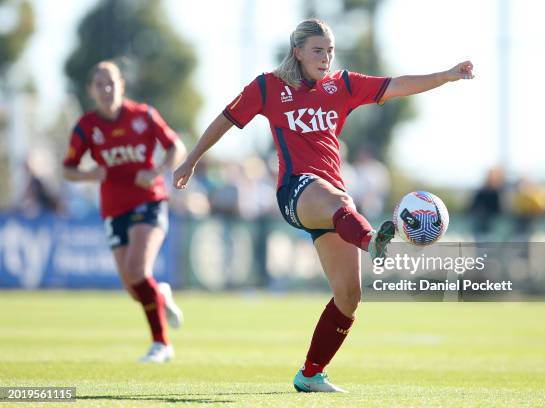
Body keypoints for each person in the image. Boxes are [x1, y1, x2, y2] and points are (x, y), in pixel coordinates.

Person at [173, 19, 474, 392]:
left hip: (333, 203)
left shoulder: (342, 85)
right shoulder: (268, 86)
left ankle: (311, 373)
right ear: (297, 51)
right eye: (318, 50)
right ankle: (372, 242)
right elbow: (226, 119)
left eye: (330, 50)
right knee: (338, 200)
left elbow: (397, 85)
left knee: (349, 296)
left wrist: (445, 76)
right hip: (295, 192)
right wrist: (192, 159)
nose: (326, 57)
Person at [63, 61, 186, 363]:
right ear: (91, 90)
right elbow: (68, 169)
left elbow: (176, 147)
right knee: (134, 288)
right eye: (99, 84)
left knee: (137, 271)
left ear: (121, 85)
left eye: (111, 83)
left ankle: (161, 344)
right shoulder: (87, 126)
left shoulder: (143, 115)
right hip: (113, 209)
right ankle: (161, 295)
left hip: (149, 200)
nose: (106, 89)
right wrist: (90, 175)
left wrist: (157, 169)